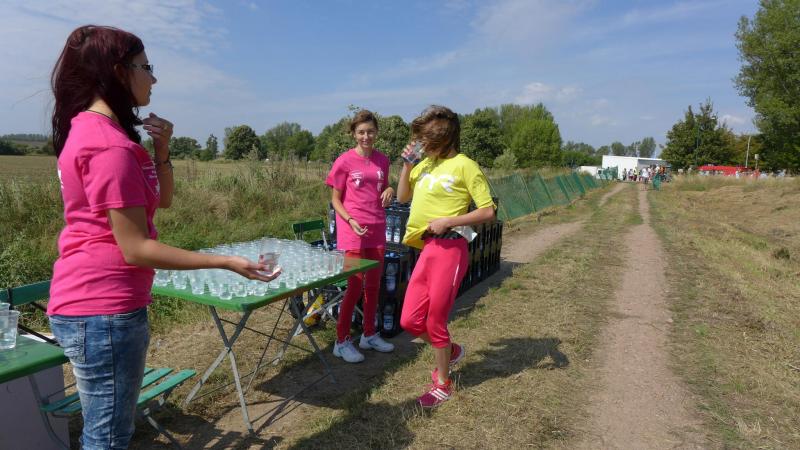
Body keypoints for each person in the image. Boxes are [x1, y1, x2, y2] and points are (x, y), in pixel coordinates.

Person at [47, 25, 280, 449]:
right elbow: (136, 248)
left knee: (107, 432)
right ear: (118, 71)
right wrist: (226, 262)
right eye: (146, 67)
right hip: (104, 306)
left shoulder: (91, 130)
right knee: (108, 437)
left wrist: (162, 150)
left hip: (92, 303)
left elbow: (163, 201)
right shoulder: (110, 147)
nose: (153, 78)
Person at [397, 105, 496, 408]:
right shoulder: (425, 164)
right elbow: (402, 197)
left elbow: (488, 211)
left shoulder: (465, 165)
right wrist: (406, 165)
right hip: (427, 248)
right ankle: (450, 351)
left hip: (451, 249)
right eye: (421, 141)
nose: (423, 146)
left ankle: (443, 384)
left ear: (446, 140)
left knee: (435, 320)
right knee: (410, 320)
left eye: (427, 142)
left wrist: (450, 221)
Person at [326, 109, 396, 363]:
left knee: (374, 285)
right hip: (353, 229)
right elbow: (335, 200)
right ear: (354, 134)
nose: (366, 136)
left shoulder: (382, 160)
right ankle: (341, 340)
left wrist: (390, 189)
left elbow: (383, 187)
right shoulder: (344, 161)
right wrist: (351, 220)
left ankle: (369, 334)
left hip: (377, 227)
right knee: (355, 285)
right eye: (361, 132)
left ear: (377, 133)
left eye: (371, 132)